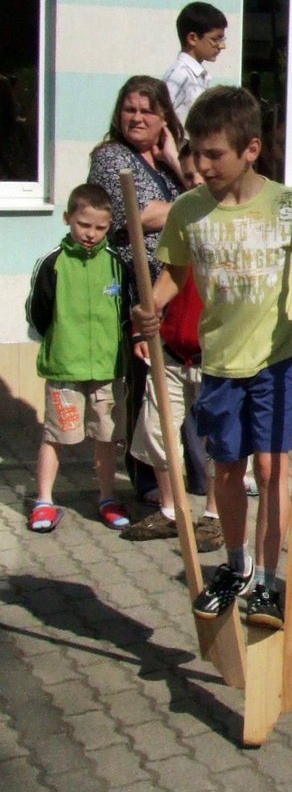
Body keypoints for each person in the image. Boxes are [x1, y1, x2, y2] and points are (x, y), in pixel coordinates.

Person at [132, 86, 292, 630]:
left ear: (251, 149)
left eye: (214, 154)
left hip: (276, 358)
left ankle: (267, 580)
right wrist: (151, 306)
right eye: (195, 152)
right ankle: (236, 567)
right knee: (227, 470)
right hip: (218, 362)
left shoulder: (287, 205)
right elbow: (173, 274)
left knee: (271, 469)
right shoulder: (189, 211)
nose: (201, 165)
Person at [87, 76, 188, 505]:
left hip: (178, 287)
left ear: (165, 118)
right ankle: (147, 478)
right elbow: (139, 214)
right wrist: (190, 204)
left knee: (177, 382)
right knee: (144, 382)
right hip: (136, 287)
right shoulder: (111, 157)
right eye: (130, 109)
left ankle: (178, 469)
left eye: (148, 110)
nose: (137, 117)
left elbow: (208, 197)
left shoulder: (169, 162)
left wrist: (176, 161)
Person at [122, 144, 225, 550]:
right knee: (156, 429)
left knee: (218, 440)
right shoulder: (181, 221)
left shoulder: (230, 226)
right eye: (187, 177)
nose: (195, 183)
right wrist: (143, 326)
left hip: (215, 354)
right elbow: (164, 281)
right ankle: (170, 511)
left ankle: (215, 516)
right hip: (169, 347)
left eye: (200, 175)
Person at [26, 184, 132, 533]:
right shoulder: (52, 263)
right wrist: (62, 341)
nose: (91, 234)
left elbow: (126, 312)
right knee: (56, 435)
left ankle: (107, 497)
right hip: (65, 367)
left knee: (107, 437)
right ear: (67, 218)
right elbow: (38, 313)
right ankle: (44, 501)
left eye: (100, 227)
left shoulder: (116, 264)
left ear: (109, 226)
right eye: (84, 225)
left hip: (107, 368)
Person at [162, 2, 228, 125]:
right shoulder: (179, 74)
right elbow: (159, 116)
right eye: (215, 39)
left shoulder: (198, 76)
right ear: (192, 38)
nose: (222, 46)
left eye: (222, 39)